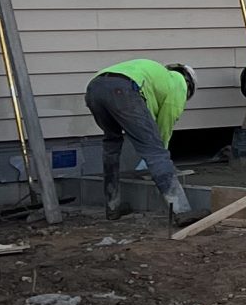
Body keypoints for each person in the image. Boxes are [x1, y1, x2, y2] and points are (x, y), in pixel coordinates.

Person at [85, 58, 199, 222]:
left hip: (94, 88)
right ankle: (182, 211)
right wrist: (160, 158)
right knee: (156, 152)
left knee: (112, 144)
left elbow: (147, 116)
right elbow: (165, 124)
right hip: (124, 89)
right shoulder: (179, 84)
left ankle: (112, 206)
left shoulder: (157, 76)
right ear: (190, 84)